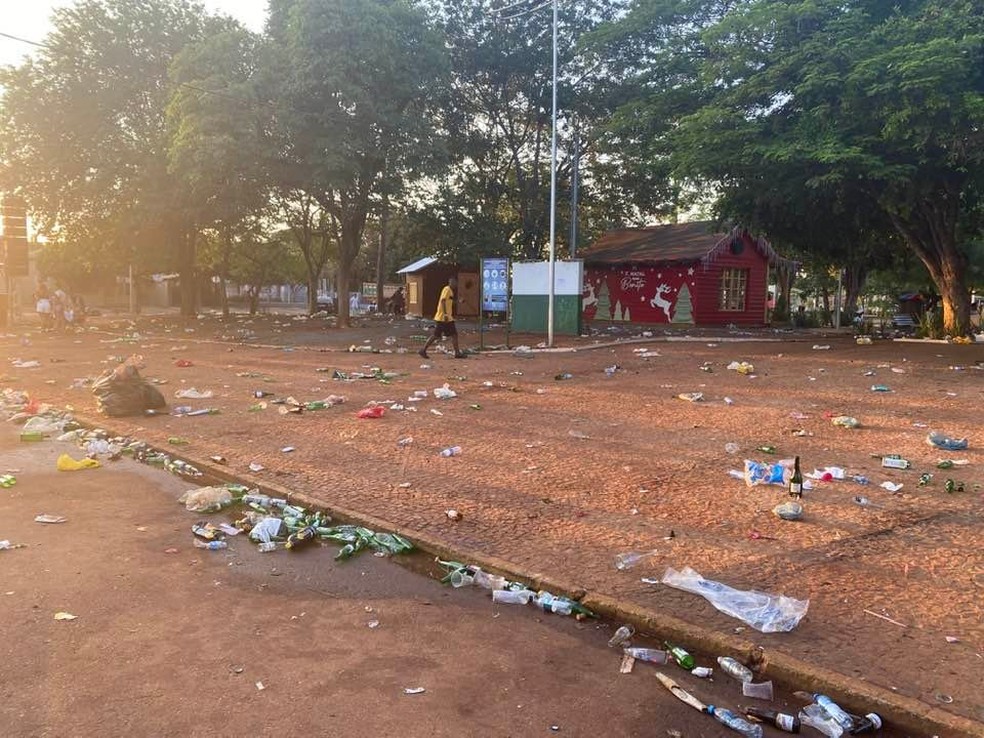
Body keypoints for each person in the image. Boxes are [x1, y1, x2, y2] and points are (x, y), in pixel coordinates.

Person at [419, 276, 465, 359]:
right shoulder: (447, 289)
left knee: (446, 335)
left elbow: (449, 301)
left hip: (446, 317)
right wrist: (445, 314)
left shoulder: (450, 291)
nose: (456, 284)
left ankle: (457, 353)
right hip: (444, 317)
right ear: (451, 281)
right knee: (442, 335)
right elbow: (443, 301)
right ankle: (423, 350)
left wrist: (458, 301)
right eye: (454, 282)